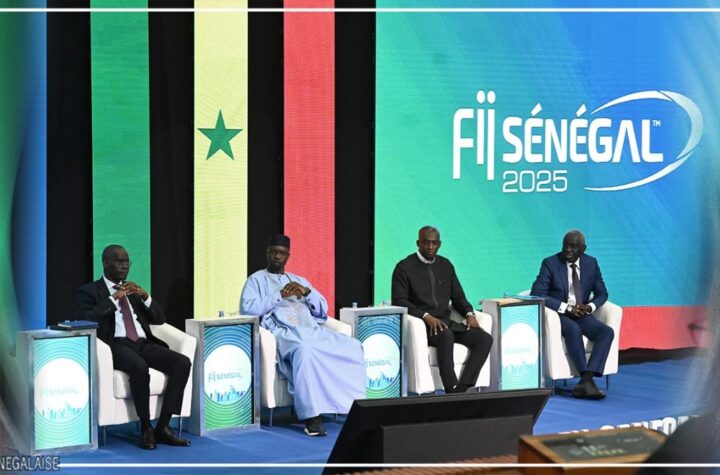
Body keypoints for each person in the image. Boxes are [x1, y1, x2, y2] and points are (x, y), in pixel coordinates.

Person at [240, 234, 365, 436]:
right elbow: (248, 311)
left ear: (288, 256)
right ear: (267, 253)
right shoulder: (255, 280)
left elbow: (322, 310)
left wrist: (307, 292)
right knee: (305, 350)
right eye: (274, 252)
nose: (277, 257)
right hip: (283, 332)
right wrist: (279, 295)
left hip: (310, 329)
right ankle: (311, 416)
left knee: (353, 346)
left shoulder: (299, 280)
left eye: (282, 253)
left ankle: (353, 408)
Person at [75, 245, 191, 450]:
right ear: (105, 263)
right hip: (116, 344)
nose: (125, 266)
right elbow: (87, 319)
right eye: (119, 262)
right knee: (139, 367)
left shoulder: (133, 291)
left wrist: (146, 296)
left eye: (127, 262)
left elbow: (159, 319)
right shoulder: (89, 291)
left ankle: (163, 426)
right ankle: (146, 427)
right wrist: (113, 299)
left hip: (142, 343)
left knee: (182, 363)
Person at [391, 226, 493, 394]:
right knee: (446, 334)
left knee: (484, 339)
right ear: (418, 243)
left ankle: (462, 388)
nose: (430, 247)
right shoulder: (404, 267)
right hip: (424, 326)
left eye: (434, 243)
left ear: (439, 244)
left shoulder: (445, 265)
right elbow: (399, 301)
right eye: (426, 243)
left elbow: (458, 297)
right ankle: (451, 388)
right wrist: (425, 316)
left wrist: (469, 314)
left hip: (446, 323)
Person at [531, 230, 614, 399]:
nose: (568, 250)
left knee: (606, 332)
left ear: (583, 249)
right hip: (559, 314)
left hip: (581, 313)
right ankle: (586, 379)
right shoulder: (550, 263)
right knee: (573, 329)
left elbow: (602, 293)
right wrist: (567, 308)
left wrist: (589, 307)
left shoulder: (591, 263)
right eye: (565, 245)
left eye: (573, 247)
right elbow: (537, 293)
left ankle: (587, 379)